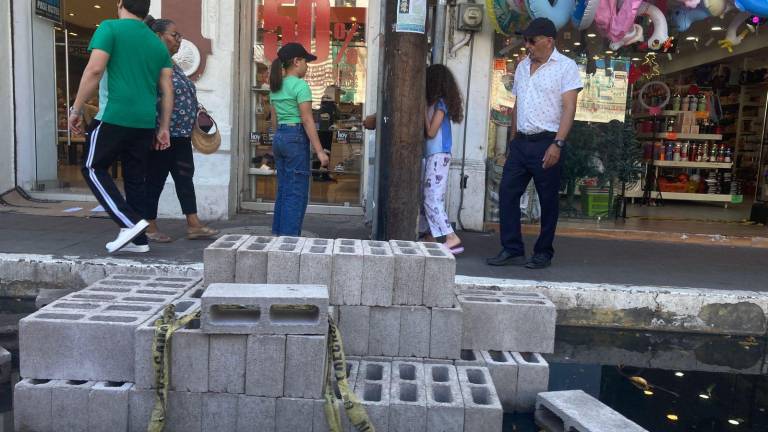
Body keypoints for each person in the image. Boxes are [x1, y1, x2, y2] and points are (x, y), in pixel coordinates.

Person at [68, 0, 173, 254]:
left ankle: (129, 223)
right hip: (145, 120)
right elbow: (167, 89)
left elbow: (94, 70)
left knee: (92, 167)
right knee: (135, 177)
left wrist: (77, 108)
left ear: (120, 4)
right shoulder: (155, 42)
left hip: (114, 114)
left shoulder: (109, 28)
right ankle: (139, 242)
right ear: (146, 10)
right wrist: (164, 127)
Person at [487, 17, 582, 269]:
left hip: (547, 141)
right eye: (525, 40)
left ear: (548, 41)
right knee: (507, 193)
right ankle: (512, 248)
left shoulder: (565, 66)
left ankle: (543, 252)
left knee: (548, 200)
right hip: (521, 143)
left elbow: (569, 107)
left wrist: (558, 144)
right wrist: (512, 141)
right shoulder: (521, 66)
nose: (527, 45)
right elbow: (518, 104)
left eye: (532, 40)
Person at [143, 16, 219, 242]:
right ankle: (148, 225)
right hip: (162, 134)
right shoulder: (151, 63)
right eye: (174, 36)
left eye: (179, 36)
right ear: (158, 36)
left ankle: (193, 224)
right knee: (155, 179)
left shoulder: (171, 63)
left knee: (185, 179)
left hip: (182, 135)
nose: (179, 40)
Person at [269, 43, 329, 236]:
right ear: (296, 62)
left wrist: (279, 140)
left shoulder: (276, 86)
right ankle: (289, 241)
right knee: (296, 192)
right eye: (305, 62)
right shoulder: (301, 86)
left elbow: (274, 121)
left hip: (280, 137)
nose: (307, 66)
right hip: (295, 138)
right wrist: (319, 151)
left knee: (284, 189)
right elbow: (307, 119)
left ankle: (279, 235)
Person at [420, 64, 464, 254]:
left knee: (432, 197)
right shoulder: (435, 103)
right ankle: (430, 235)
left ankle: (450, 237)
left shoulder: (440, 104)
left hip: (439, 154)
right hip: (433, 155)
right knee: (428, 196)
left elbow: (431, 132)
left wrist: (421, 109)